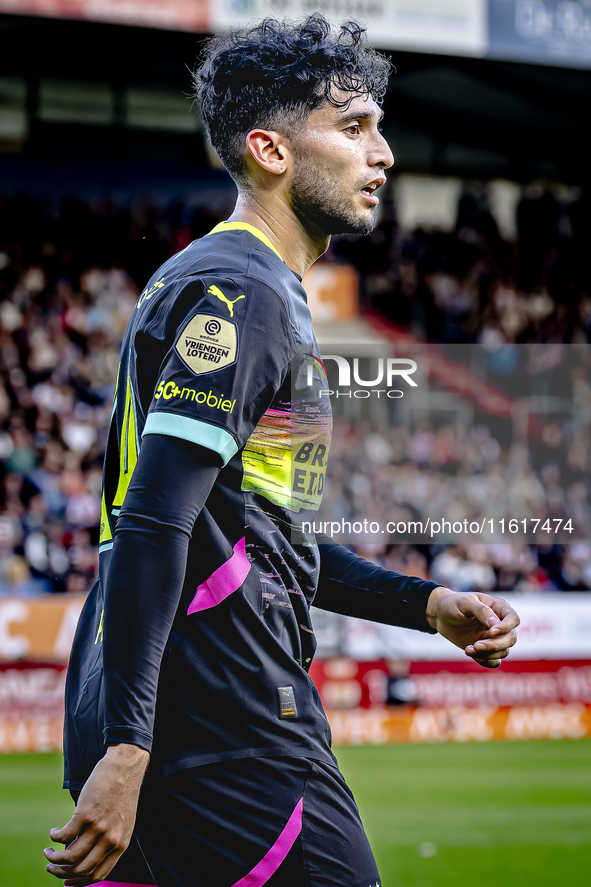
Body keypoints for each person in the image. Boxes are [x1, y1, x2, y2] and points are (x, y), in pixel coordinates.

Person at [45, 15, 519, 887]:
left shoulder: (207, 279)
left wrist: (426, 604)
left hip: (173, 710)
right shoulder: (244, 289)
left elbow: (256, 539)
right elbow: (154, 520)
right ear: (268, 149)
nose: (381, 155)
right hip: (228, 719)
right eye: (352, 128)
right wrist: (128, 743)